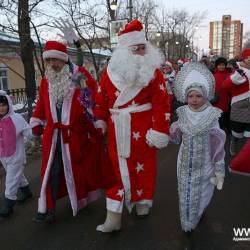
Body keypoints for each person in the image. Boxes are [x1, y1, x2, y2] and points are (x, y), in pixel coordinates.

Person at [94, 19, 171, 233]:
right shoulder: (109, 73)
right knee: (116, 171)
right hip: (117, 130)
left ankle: (143, 201)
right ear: (124, 50)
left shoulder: (154, 72)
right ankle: (113, 216)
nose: (139, 51)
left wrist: (159, 130)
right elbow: (101, 100)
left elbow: (161, 102)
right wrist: (100, 120)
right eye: (135, 48)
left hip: (145, 130)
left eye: (142, 47)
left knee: (145, 168)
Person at [30, 40, 103, 223]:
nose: (53, 65)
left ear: (64, 59)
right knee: (50, 170)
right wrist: (37, 120)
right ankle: (47, 208)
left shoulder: (77, 76)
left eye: (56, 60)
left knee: (76, 169)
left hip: (74, 135)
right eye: (49, 61)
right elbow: (41, 104)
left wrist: (93, 122)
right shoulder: (47, 81)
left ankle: (80, 198)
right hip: (53, 135)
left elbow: (89, 99)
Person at [170, 62, 226, 249]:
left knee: (201, 192)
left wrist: (219, 169)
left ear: (205, 96)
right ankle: (187, 224)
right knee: (184, 191)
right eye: (190, 96)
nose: (194, 100)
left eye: (198, 96)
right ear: (186, 97)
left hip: (205, 163)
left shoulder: (212, 115)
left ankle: (196, 214)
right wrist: (172, 132)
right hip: (184, 162)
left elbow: (218, 144)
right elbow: (176, 138)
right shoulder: (182, 112)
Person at [0, 90, 33, 217]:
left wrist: (36, 131)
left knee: (10, 180)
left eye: (3, 105)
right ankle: (26, 191)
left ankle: (9, 203)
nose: (1, 108)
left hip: (16, 156)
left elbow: (28, 132)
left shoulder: (16, 119)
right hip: (3, 156)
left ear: (8, 104)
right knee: (15, 176)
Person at [223, 48, 250, 155]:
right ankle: (233, 143)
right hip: (239, 105)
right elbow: (225, 86)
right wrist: (236, 78)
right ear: (243, 59)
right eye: (248, 58)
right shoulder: (238, 70)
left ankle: (245, 154)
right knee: (237, 131)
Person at [211, 57, 231, 131]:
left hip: (226, 99)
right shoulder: (213, 76)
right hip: (217, 99)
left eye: (223, 65)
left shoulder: (229, 75)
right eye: (219, 65)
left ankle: (224, 130)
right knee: (218, 117)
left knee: (225, 115)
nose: (221, 66)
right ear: (216, 66)